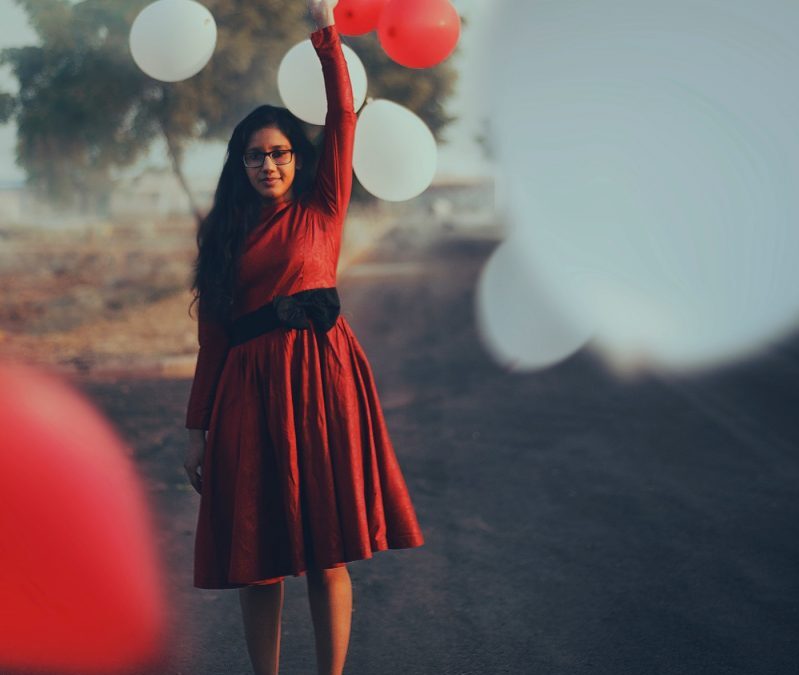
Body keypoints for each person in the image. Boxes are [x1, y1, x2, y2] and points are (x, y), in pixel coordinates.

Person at [182, 1, 425, 674]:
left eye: (280, 152)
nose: (268, 165)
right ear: (240, 164)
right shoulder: (222, 237)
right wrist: (195, 428)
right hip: (248, 394)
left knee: (326, 550)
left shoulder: (322, 206)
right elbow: (212, 339)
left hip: (323, 382)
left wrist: (327, 37)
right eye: (255, 156)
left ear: (298, 157)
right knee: (259, 560)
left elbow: (343, 118)